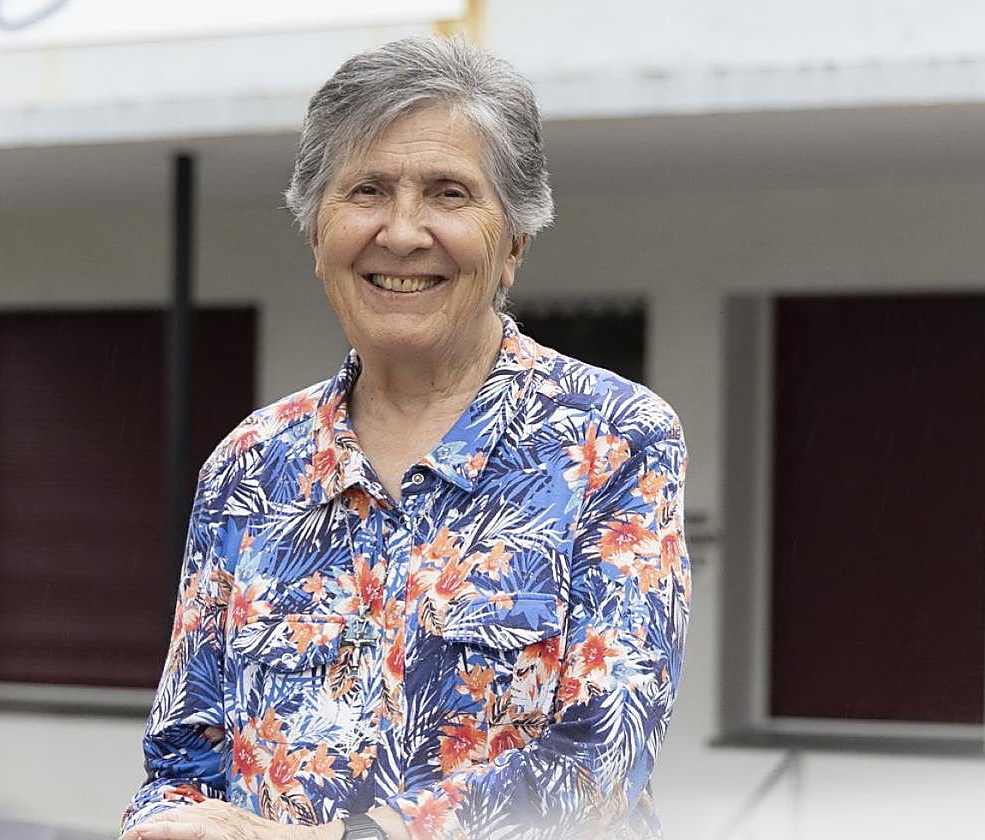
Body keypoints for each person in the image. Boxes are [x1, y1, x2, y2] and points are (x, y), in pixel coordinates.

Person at [119, 35, 690, 840]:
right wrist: (164, 825)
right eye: (366, 191)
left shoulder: (613, 440)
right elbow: (182, 761)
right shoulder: (249, 465)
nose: (402, 232)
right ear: (316, 235)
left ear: (514, 243)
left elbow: (596, 765)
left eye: (449, 194)